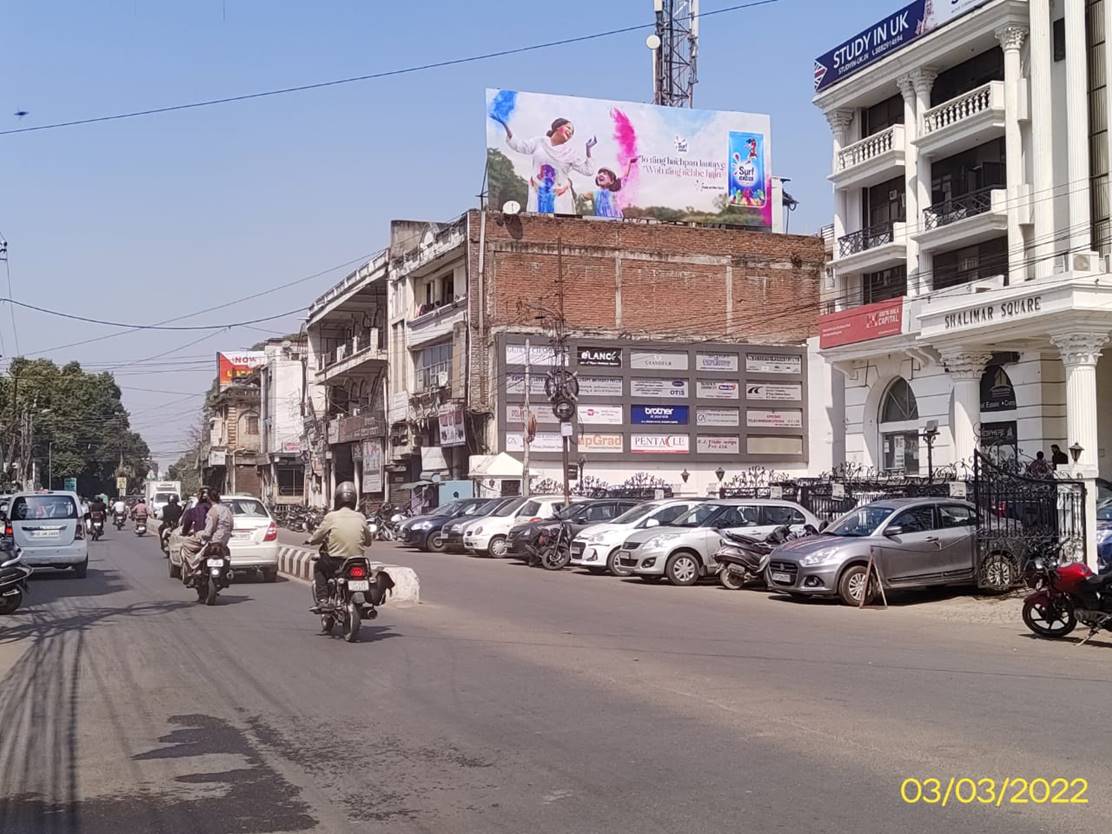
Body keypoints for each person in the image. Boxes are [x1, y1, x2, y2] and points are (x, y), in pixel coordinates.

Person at [499, 116, 595, 214]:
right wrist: (505, 125)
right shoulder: (540, 142)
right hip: (537, 193)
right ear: (557, 127)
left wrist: (588, 150)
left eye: (572, 132)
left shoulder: (570, 153)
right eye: (568, 128)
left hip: (559, 198)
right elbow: (519, 145)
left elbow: (588, 170)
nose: (570, 132)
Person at [306, 481, 373, 611]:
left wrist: (310, 541)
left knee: (319, 567)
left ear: (337, 499)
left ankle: (323, 599)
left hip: (336, 560)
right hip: (357, 561)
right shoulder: (361, 517)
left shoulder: (331, 516)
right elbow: (368, 541)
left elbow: (318, 536)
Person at [182, 488, 234, 583]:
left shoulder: (212, 511)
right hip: (224, 541)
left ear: (209, 498)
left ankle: (194, 567)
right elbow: (231, 526)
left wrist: (203, 535)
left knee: (186, 543)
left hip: (212, 541)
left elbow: (208, 532)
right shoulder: (227, 510)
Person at [178, 489, 212, 572]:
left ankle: (194, 566)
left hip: (201, 537)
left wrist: (184, 533)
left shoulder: (193, 511)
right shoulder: (217, 509)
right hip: (215, 537)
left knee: (185, 544)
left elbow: (186, 527)